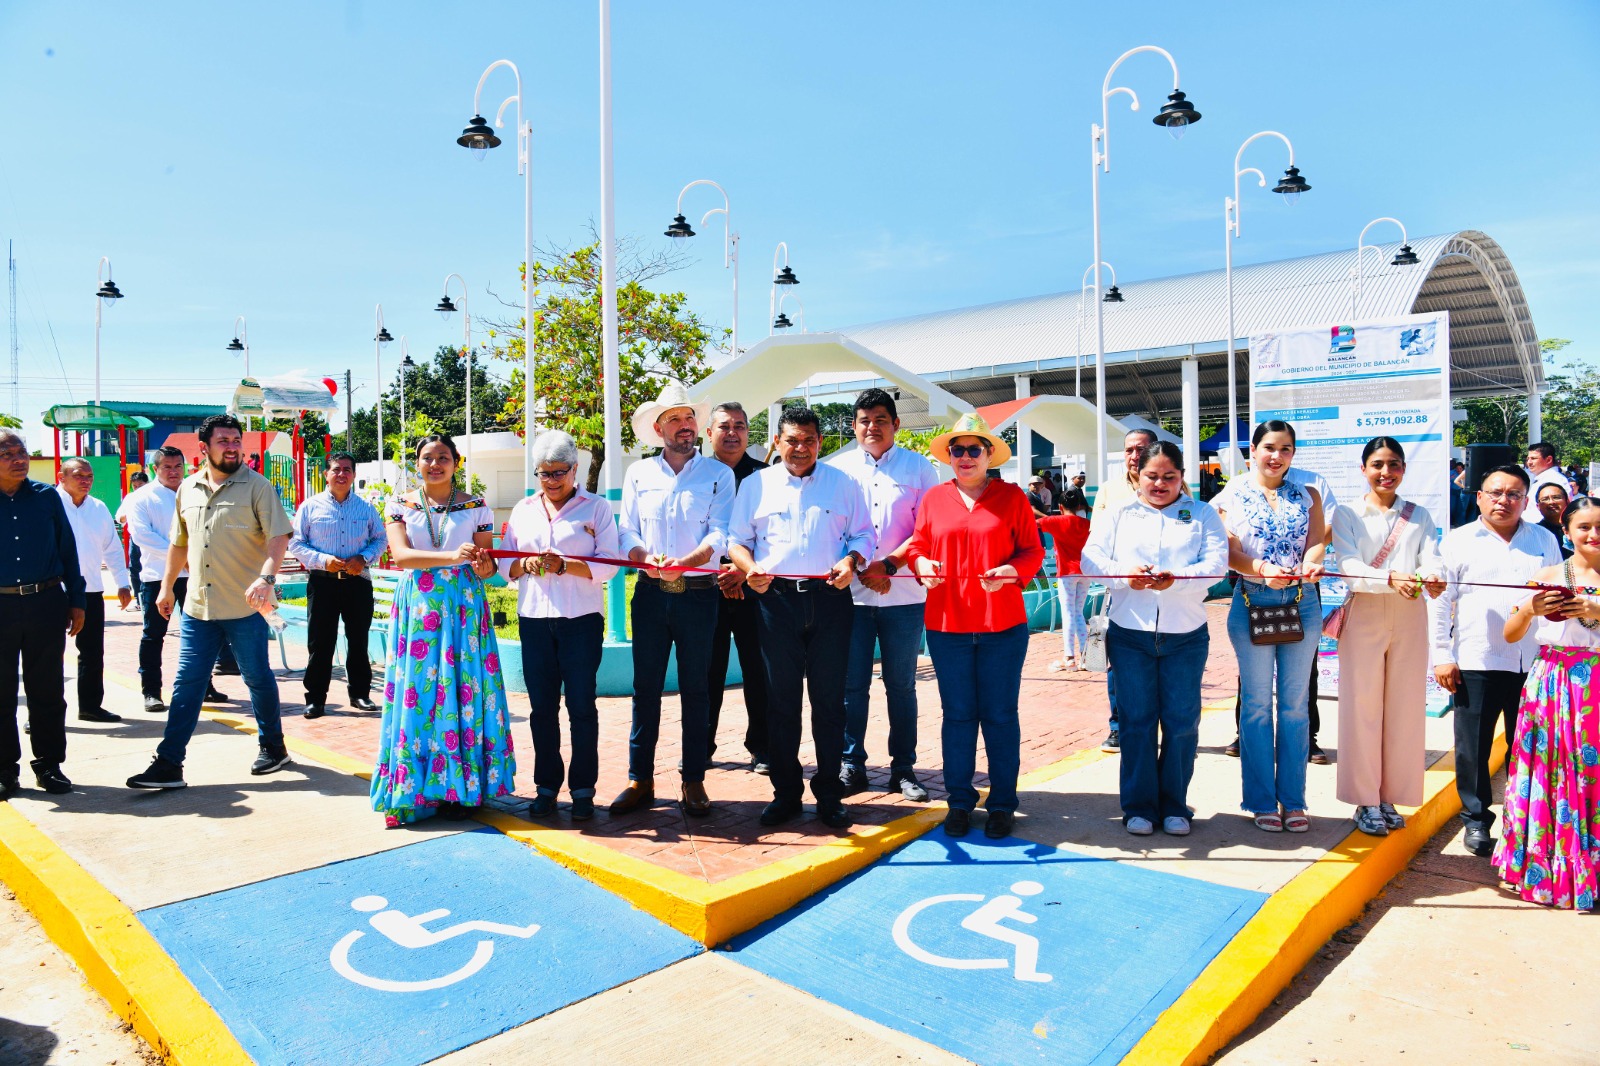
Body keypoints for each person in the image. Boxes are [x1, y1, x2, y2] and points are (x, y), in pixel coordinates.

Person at [127, 415, 294, 790]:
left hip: (245, 606)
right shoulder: (187, 488)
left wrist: (267, 577)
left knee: (257, 679)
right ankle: (169, 763)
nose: (233, 446)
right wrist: (167, 587)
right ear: (204, 448)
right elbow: (179, 542)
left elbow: (279, 537)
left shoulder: (257, 487)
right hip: (198, 606)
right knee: (187, 683)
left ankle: (274, 746)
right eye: (224, 441)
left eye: (236, 440)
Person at [730, 406, 874, 829]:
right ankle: (786, 793)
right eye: (791, 440)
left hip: (830, 600)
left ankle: (829, 793)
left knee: (829, 702)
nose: (800, 448)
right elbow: (737, 540)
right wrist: (748, 566)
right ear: (776, 441)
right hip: (775, 602)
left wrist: (851, 560)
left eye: (809, 440)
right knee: (781, 702)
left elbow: (865, 534)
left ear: (820, 443)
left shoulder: (843, 484)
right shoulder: (756, 485)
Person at [907, 413, 1043, 840]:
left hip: (1002, 625)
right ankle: (960, 802)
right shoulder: (933, 499)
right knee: (959, 716)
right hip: (948, 626)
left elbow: (1032, 552)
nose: (965, 458)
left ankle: (1003, 802)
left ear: (988, 455)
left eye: (974, 450)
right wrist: (921, 562)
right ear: (949, 456)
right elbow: (918, 546)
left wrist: (1009, 570)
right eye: (957, 450)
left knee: (1000, 716)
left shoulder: (1013, 498)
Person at [367, 434, 514, 826]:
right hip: (420, 605)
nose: (436, 464)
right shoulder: (399, 504)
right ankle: (417, 790)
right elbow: (400, 556)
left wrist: (484, 567)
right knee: (419, 690)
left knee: (463, 685)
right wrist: (452, 556)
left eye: (443, 457)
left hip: (464, 605)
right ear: (416, 463)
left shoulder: (476, 506)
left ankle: (464, 787)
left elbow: (485, 564)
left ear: (456, 461)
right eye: (428, 458)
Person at [1083, 441, 1226, 836]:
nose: (1160, 484)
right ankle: (1139, 807)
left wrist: (1175, 580)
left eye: (1169, 477)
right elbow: (1090, 558)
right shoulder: (1118, 514)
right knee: (1137, 723)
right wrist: (1123, 574)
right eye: (1152, 476)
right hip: (1131, 635)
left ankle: (1175, 805)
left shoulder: (1202, 514)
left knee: (1181, 722)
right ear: (1137, 475)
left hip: (1186, 636)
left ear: (1182, 477)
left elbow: (1216, 566)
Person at [612, 384, 734, 818]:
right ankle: (639, 778)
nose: (685, 427)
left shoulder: (719, 474)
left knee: (696, 690)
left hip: (699, 597)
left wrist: (689, 561)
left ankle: (693, 780)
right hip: (649, 594)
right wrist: (645, 559)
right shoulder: (637, 474)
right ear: (659, 428)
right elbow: (625, 532)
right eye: (675, 420)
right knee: (644, 688)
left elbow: (720, 535)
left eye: (689, 418)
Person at [1430, 464, 1563, 856]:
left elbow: (1557, 593)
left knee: (1533, 747)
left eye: (1513, 494)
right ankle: (1476, 821)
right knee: (1473, 747)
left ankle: (1529, 822)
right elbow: (1439, 602)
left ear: (1526, 500)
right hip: (1477, 659)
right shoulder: (1457, 541)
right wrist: (1441, 655)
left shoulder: (1543, 539)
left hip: (1536, 663)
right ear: (1479, 497)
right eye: (1495, 492)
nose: (1503, 500)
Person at [1329, 438, 1447, 837]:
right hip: (1364, 611)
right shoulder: (1346, 513)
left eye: (1394, 464)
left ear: (1403, 470)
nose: (1386, 472)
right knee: (1362, 708)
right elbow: (1347, 565)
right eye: (1377, 464)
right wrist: (1389, 577)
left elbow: (1432, 556)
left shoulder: (1419, 516)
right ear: (1363, 468)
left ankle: (1390, 795)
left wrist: (1432, 575)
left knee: (1405, 708)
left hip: (1410, 613)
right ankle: (1365, 799)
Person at [499, 430, 618, 820]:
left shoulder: (596, 508)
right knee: (541, 709)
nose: (551, 481)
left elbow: (610, 566)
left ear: (575, 469)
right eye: (544, 473)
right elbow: (505, 565)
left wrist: (565, 564)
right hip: (534, 620)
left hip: (581, 621)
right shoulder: (523, 509)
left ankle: (583, 790)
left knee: (582, 705)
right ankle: (547, 787)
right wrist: (525, 564)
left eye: (559, 473)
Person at [828, 387, 940, 801]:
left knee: (901, 686)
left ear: (896, 423)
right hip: (851, 598)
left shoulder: (920, 469)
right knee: (851, 686)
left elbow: (927, 529)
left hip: (904, 598)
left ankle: (904, 769)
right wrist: (861, 567)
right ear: (854, 426)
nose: (871, 426)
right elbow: (831, 530)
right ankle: (851, 764)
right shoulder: (836, 470)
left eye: (880, 418)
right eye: (863, 420)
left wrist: (889, 565)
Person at [1215, 420, 1326, 834]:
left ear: (1293, 454)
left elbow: (1318, 539)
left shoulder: (1307, 494)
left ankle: (1294, 800)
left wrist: (1312, 562)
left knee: (1296, 707)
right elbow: (1229, 550)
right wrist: (1260, 568)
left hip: (1303, 604)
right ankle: (1261, 799)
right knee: (1258, 706)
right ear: (1253, 451)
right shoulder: (1231, 495)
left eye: (1285, 449)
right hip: (1251, 602)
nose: (1276, 456)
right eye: (1268, 447)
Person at [1495, 495, 1600, 909]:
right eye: (1584, 527)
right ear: (1567, 531)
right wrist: (1530, 607)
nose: (1594, 535)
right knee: (1551, 772)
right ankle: (1548, 871)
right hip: (1554, 686)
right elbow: (1510, 632)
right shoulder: (1550, 574)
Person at [0, 432, 85, 799]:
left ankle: (49, 765)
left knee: (47, 690)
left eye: (21, 452)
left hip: (45, 603)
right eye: (7, 453)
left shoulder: (47, 496)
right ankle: (5, 770)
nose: (18, 459)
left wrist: (77, 601)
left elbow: (68, 549)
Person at [119, 446, 229, 713]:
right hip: (158, 578)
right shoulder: (142, 498)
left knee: (201, 632)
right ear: (155, 469)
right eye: (166, 467)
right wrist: (181, 557)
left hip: (196, 575)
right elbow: (142, 536)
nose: (173, 472)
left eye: (177, 466)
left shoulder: (196, 491)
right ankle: (151, 691)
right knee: (153, 635)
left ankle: (204, 687)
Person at [287, 452, 387, 718]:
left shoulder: (366, 508)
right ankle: (316, 699)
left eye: (347, 470)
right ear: (325, 474)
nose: (341, 474)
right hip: (323, 583)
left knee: (358, 640)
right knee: (320, 643)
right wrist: (321, 559)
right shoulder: (310, 506)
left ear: (353, 475)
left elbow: (380, 539)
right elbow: (296, 542)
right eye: (336, 469)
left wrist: (363, 558)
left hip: (357, 583)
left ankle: (360, 695)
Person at [705, 401, 770, 773]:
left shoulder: (765, 477)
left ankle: (762, 747)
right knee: (706, 671)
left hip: (756, 587)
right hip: (706, 590)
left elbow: (774, 534)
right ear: (709, 433)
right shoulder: (695, 474)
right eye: (724, 426)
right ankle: (701, 745)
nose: (733, 433)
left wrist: (743, 571)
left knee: (759, 671)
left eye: (740, 426)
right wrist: (719, 571)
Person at [1088, 428, 1158, 754]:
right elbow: (1097, 545)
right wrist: (1123, 573)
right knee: (1117, 665)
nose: (1134, 456)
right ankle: (1118, 728)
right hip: (1122, 591)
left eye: (1141, 450)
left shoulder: (1168, 483)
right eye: (1129, 450)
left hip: (1162, 593)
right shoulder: (1109, 491)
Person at [56, 458, 130, 724]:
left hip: (90, 591)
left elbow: (112, 547)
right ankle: (42, 713)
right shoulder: (48, 505)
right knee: (47, 655)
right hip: (54, 591)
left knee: (92, 652)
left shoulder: (98, 508)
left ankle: (90, 706)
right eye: (78, 475)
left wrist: (122, 581)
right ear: (61, 477)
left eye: (89, 476)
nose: (86, 480)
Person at [1039, 487, 1091, 672]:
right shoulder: (1086, 524)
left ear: (1060, 506)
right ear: (1079, 506)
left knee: (1068, 613)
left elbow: (1036, 523)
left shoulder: (1056, 521)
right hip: (1085, 573)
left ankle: (1069, 657)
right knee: (1078, 613)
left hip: (1067, 573)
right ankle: (1085, 656)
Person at [1523, 442, 1572, 523]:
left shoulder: (1555, 480)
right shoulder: (1538, 478)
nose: (1529, 462)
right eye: (1528, 459)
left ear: (1549, 459)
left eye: (1533, 458)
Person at [122, 469, 149, 611]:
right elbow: (119, 517)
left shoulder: (152, 497)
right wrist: (126, 516)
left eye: (141, 485)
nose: (137, 488)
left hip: (151, 539)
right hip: (136, 538)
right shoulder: (130, 498)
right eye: (135, 486)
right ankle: (139, 601)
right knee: (135, 568)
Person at [1534, 480, 1574, 559]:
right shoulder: (1534, 532)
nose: (1551, 502)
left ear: (1567, 501)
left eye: (1556, 497)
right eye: (1545, 499)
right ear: (1538, 506)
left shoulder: (1578, 528)